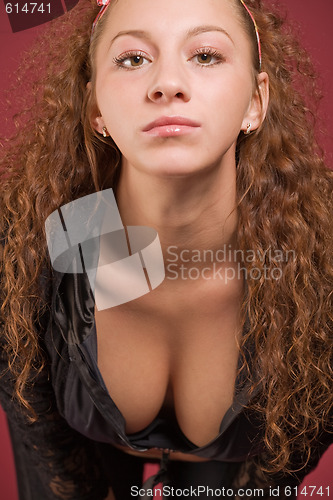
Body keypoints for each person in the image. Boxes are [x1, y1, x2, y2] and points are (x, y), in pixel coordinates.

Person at [0, 0, 332, 498]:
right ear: (95, 109)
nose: (168, 84)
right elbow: (41, 437)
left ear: (255, 103)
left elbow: (290, 452)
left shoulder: (319, 253)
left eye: (205, 55)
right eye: (133, 59)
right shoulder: (34, 238)